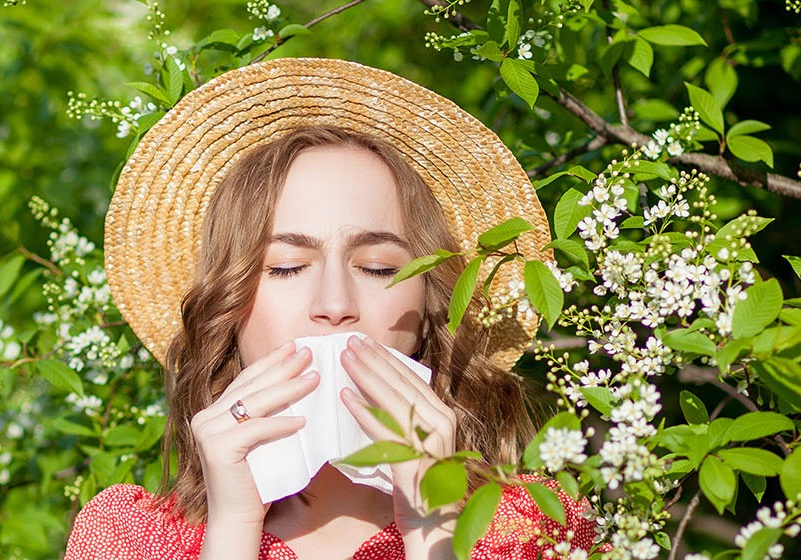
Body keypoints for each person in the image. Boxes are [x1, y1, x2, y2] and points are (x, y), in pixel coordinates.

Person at [68, 58, 596, 560]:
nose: (336, 306)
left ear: (433, 301)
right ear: (225, 308)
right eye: (286, 267)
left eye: (378, 268)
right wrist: (231, 529)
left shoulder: (537, 527)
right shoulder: (127, 535)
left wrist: (430, 524)